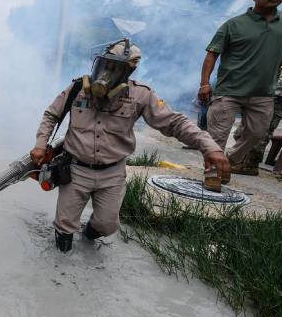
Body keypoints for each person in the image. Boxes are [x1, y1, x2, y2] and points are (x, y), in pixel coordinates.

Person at [31, 39, 229, 253]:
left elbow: (174, 122)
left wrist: (209, 146)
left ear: (128, 72)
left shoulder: (141, 95)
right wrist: (41, 144)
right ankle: (62, 265)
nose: (107, 72)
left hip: (112, 174)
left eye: (115, 68)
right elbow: (51, 114)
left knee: (107, 225)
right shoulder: (78, 88)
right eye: (105, 65)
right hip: (75, 169)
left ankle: (87, 238)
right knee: (64, 225)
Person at [199, 0, 282, 174]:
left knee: (257, 134)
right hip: (229, 91)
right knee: (217, 137)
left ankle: (228, 161)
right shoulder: (233, 24)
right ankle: (213, 176)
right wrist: (205, 84)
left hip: (263, 92)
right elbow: (211, 54)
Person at [231, 67, 282, 175]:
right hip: (263, 93)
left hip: (277, 96)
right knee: (241, 132)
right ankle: (240, 159)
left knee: (262, 132)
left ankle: (250, 165)